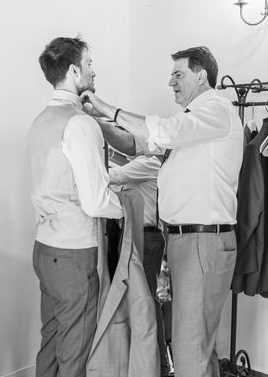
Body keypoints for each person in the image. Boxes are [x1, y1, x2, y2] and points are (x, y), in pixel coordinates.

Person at [82, 46, 243, 377]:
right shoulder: (193, 123)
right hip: (187, 243)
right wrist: (97, 122)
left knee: (187, 350)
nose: (170, 82)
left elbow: (164, 132)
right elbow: (135, 144)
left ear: (202, 76)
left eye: (178, 74)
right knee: (198, 347)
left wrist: (106, 108)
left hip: (203, 243)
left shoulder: (216, 110)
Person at [27, 36, 123, 377]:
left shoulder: (39, 121)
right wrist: (129, 206)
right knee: (75, 352)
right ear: (73, 70)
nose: (93, 71)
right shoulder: (81, 124)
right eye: (89, 64)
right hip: (73, 253)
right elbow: (96, 200)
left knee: (51, 342)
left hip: (44, 248)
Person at [107, 152, 174, 377]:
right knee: (146, 302)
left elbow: (112, 176)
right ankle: (156, 364)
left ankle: (160, 365)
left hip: (146, 238)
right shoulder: (143, 164)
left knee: (146, 303)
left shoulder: (147, 163)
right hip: (144, 236)